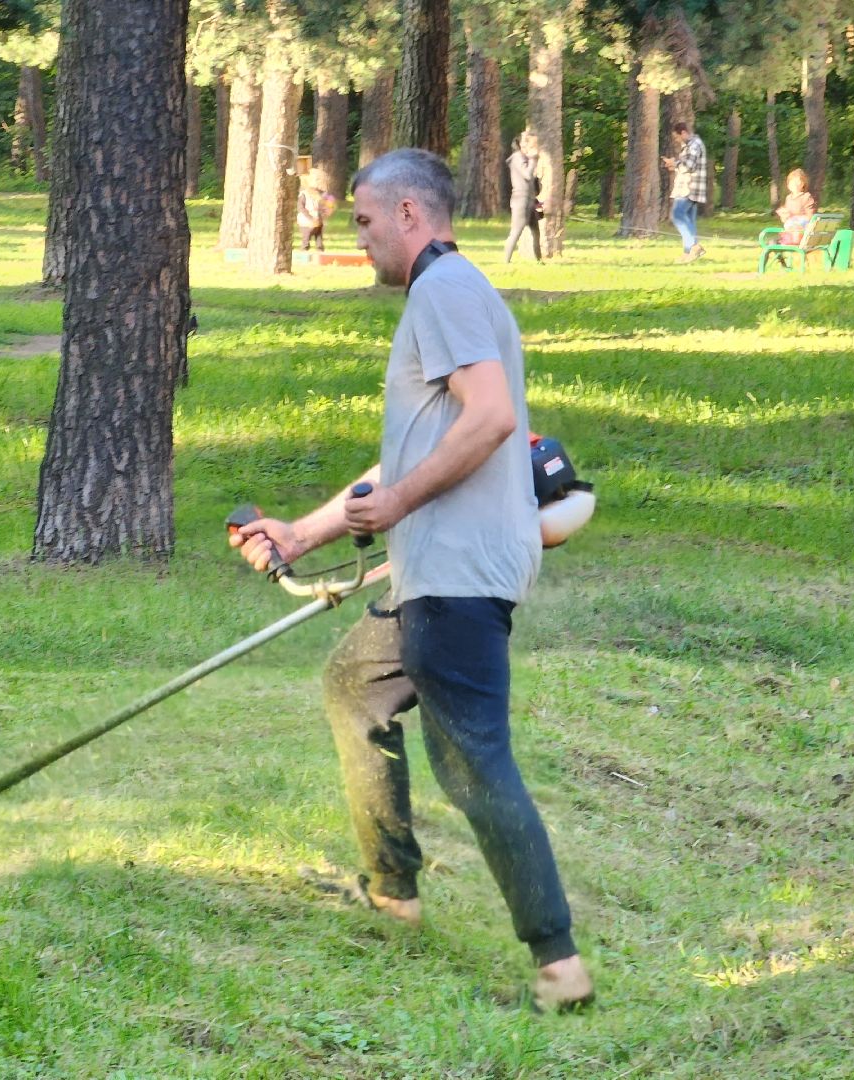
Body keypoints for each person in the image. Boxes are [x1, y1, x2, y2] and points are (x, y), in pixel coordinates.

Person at [230, 148, 594, 1012]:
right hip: (439, 570)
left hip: (458, 577)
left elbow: (496, 421)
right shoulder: (450, 295)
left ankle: (559, 965)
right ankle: (393, 891)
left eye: (362, 223)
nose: (358, 242)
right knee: (357, 687)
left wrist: (393, 503)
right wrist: (305, 531)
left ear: (408, 216)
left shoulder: (447, 289)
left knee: (474, 766)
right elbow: (421, 446)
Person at [662, 121, 707, 263]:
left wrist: (674, 163)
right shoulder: (689, 145)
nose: (677, 140)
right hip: (688, 187)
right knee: (689, 221)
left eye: (677, 137)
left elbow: (689, 165)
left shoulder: (694, 144)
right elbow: (686, 165)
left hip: (689, 188)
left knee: (677, 215)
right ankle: (688, 254)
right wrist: (674, 165)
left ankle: (694, 246)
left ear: (683, 133)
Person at [504, 133, 541, 264]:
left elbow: (532, 182)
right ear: (522, 145)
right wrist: (533, 161)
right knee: (516, 231)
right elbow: (526, 174)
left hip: (530, 200)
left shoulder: (524, 158)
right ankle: (506, 261)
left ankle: (539, 260)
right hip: (521, 200)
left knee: (536, 232)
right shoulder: (517, 158)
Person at [775, 167, 817, 246]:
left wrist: (795, 217)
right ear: (788, 184)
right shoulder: (789, 198)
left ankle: (790, 241)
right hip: (790, 228)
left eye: (798, 182)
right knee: (789, 225)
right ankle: (785, 240)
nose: (795, 185)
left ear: (803, 183)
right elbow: (786, 219)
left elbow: (810, 217)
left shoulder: (806, 197)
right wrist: (784, 215)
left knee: (795, 225)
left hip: (801, 229)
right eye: (792, 182)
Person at [298, 185, 328, 251]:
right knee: (306, 238)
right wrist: (310, 218)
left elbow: (322, 207)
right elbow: (301, 207)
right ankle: (304, 251)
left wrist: (322, 217)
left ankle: (320, 250)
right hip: (306, 221)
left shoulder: (319, 195)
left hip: (317, 219)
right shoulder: (304, 195)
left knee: (319, 237)